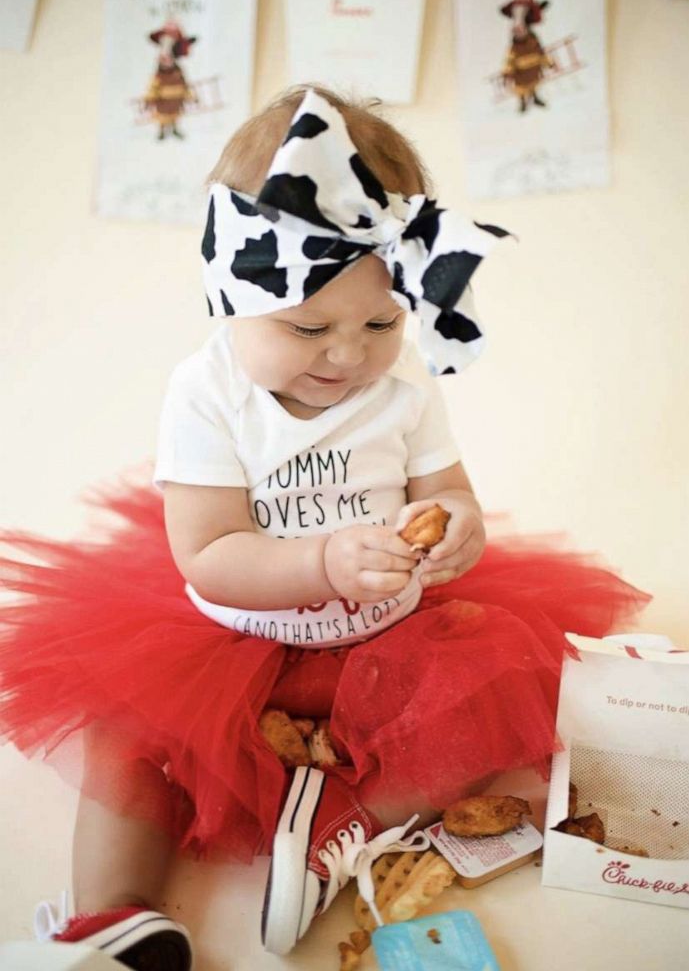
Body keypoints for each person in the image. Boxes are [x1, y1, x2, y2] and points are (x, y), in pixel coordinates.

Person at [0, 85, 649, 969]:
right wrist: (323, 560)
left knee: (491, 694)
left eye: (380, 321)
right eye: (309, 327)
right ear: (231, 300)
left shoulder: (403, 383)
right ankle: (115, 919)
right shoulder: (207, 393)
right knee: (128, 738)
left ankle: (344, 821)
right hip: (228, 641)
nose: (348, 355)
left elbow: (448, 490)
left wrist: (457, 526)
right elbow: (211, 555)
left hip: (389, 637)